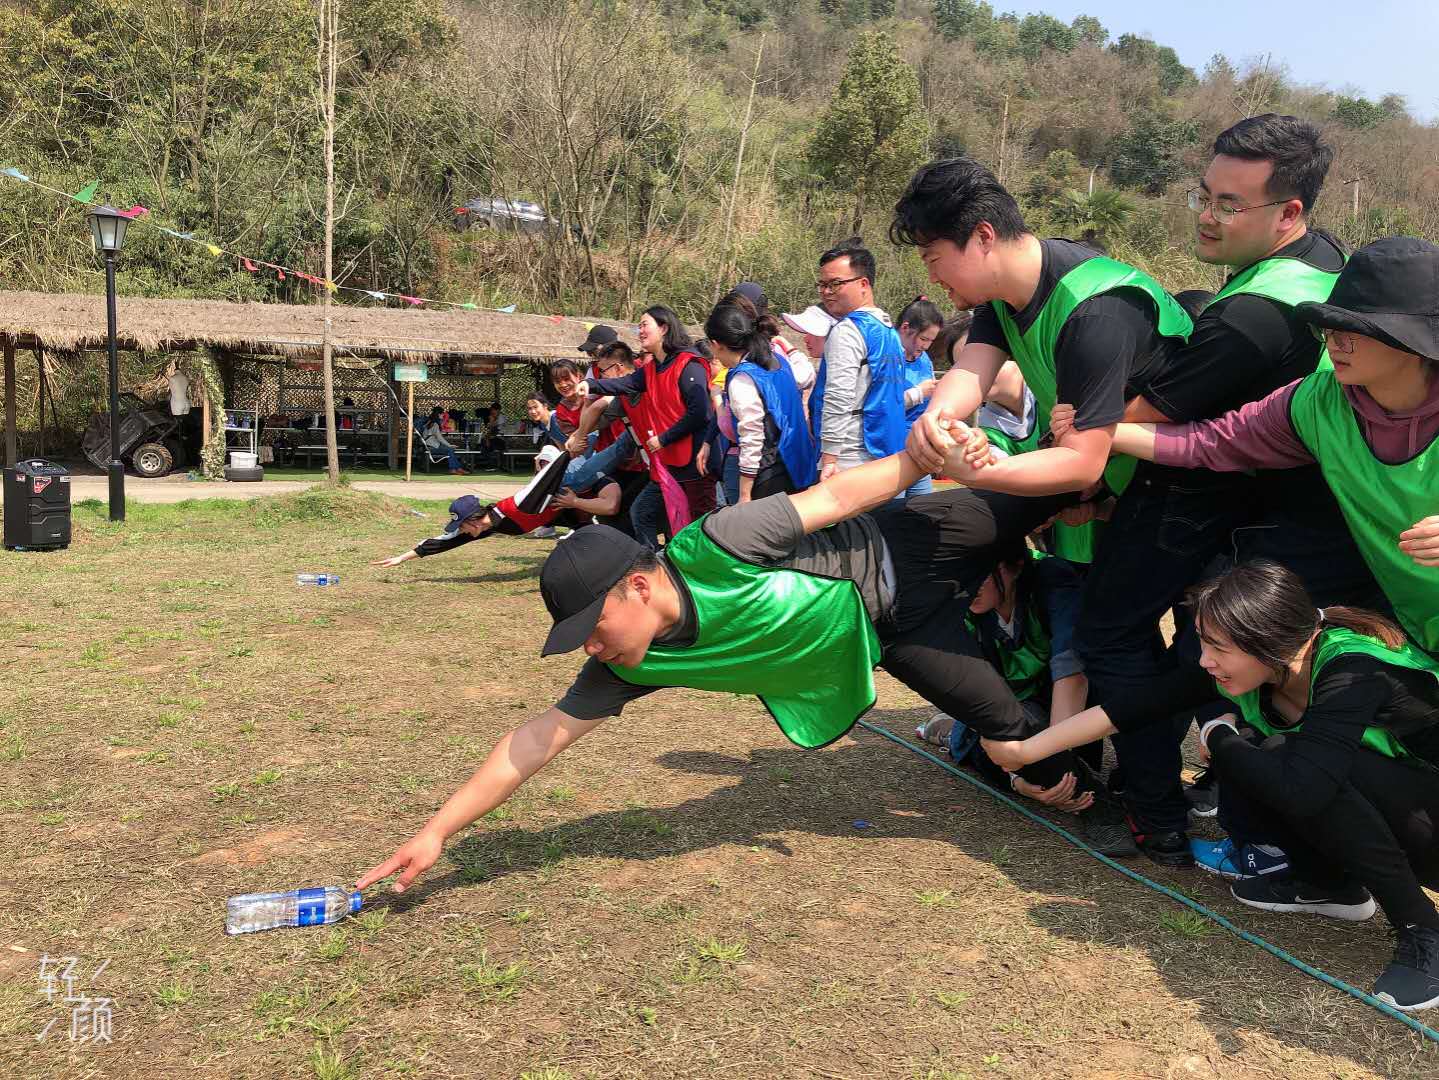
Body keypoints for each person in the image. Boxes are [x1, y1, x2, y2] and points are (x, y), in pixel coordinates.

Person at [358, 428, 1152, 905]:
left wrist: (917, 458)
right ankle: (1118, 782)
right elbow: (536, 739)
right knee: (1016, 751)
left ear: (638, 586)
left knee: (1072, 475)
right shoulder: (633, 663)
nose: (591, 649)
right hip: (897, 633)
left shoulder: (717, 544)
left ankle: (1163, 459)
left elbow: (834, 501)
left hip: (913, 541)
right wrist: (435, 833)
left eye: (592, 629)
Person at [892, 157, 1196, 864]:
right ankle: (1119, 778)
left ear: (982, 237)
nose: (933, 278)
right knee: (1102, 635)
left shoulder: (1097, 310)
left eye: (935, 259)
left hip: (1175, 493)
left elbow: (1083, 461)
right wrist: (938, 418)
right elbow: (971, 368)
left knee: (1117, 642)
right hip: (1102, 489)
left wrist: (980, 468)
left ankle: (1157, 817)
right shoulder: (1006, 295)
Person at [981, 560, 1439, 1012]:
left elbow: (1304, 791)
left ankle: (1424, 930)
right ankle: (1329, 885)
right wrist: (1027, 750)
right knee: (1269, 753)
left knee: (1285, 758)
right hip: (1409, 814)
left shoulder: (1352, 672)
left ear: (1269, 642)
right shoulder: (1271, 661)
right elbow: (1135, 707)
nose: (1204, 660)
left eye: (1217, 647)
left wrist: (1219, 734)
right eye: (1202, 642)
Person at [1078, 236, 1439, 657]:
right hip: (1412, 622)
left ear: (1413, 343)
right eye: (1330, 325)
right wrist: (1102, 428)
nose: (1336, 340)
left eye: (1357, 329)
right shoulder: (1315, 401)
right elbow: (1211, 442)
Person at [584, 306, 716, 547]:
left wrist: (664, 439)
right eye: (639, 326)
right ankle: (655, 563)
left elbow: (701, 413)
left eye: (644, 325)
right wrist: (590, 386)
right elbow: (625, 383)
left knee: (700, 524)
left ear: (664, 328)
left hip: (695, 462)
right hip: (669, 464)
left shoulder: (689, 364)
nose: (640, 331)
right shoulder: (651, 369)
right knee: (645, 513)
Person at [810, 237, 909, 480]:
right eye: (822, 285)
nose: (826, 292)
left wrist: (830, 458)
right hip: (888, 452)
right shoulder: (888, 330)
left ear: (863, 283)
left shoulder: (848, 330)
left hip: (851, 456)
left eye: (835, 284)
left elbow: (838, 396)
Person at [705, 294, 817, 503]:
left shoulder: (742, 379)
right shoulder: (779, 360)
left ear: (716, 344)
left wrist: (744, 494)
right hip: (800, 464)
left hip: (770, 475)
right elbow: (807, 376)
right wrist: (791, 348)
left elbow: (752, 438)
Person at [895, 296, 945, 498]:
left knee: (923, 508)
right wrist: (918, 393)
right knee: (891, 511)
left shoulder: (924, 359)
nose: (926, 346)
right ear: (905, 328)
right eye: (924, 339)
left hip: (919, 450)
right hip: (891, 453)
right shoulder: (886, 355)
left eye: (931, 341)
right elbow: (879, 407)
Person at [420, 407, 468, 475]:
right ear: (439, 414)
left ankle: (456, 468)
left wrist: (448, 445)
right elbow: (439, 437)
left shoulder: (429, 422)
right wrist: (449, 445)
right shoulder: (435, 424)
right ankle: (455, 468)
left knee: (450, 450)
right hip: (431, 447)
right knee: (450, 450)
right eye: (442, 414)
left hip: (429, 445)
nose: (443, 415)